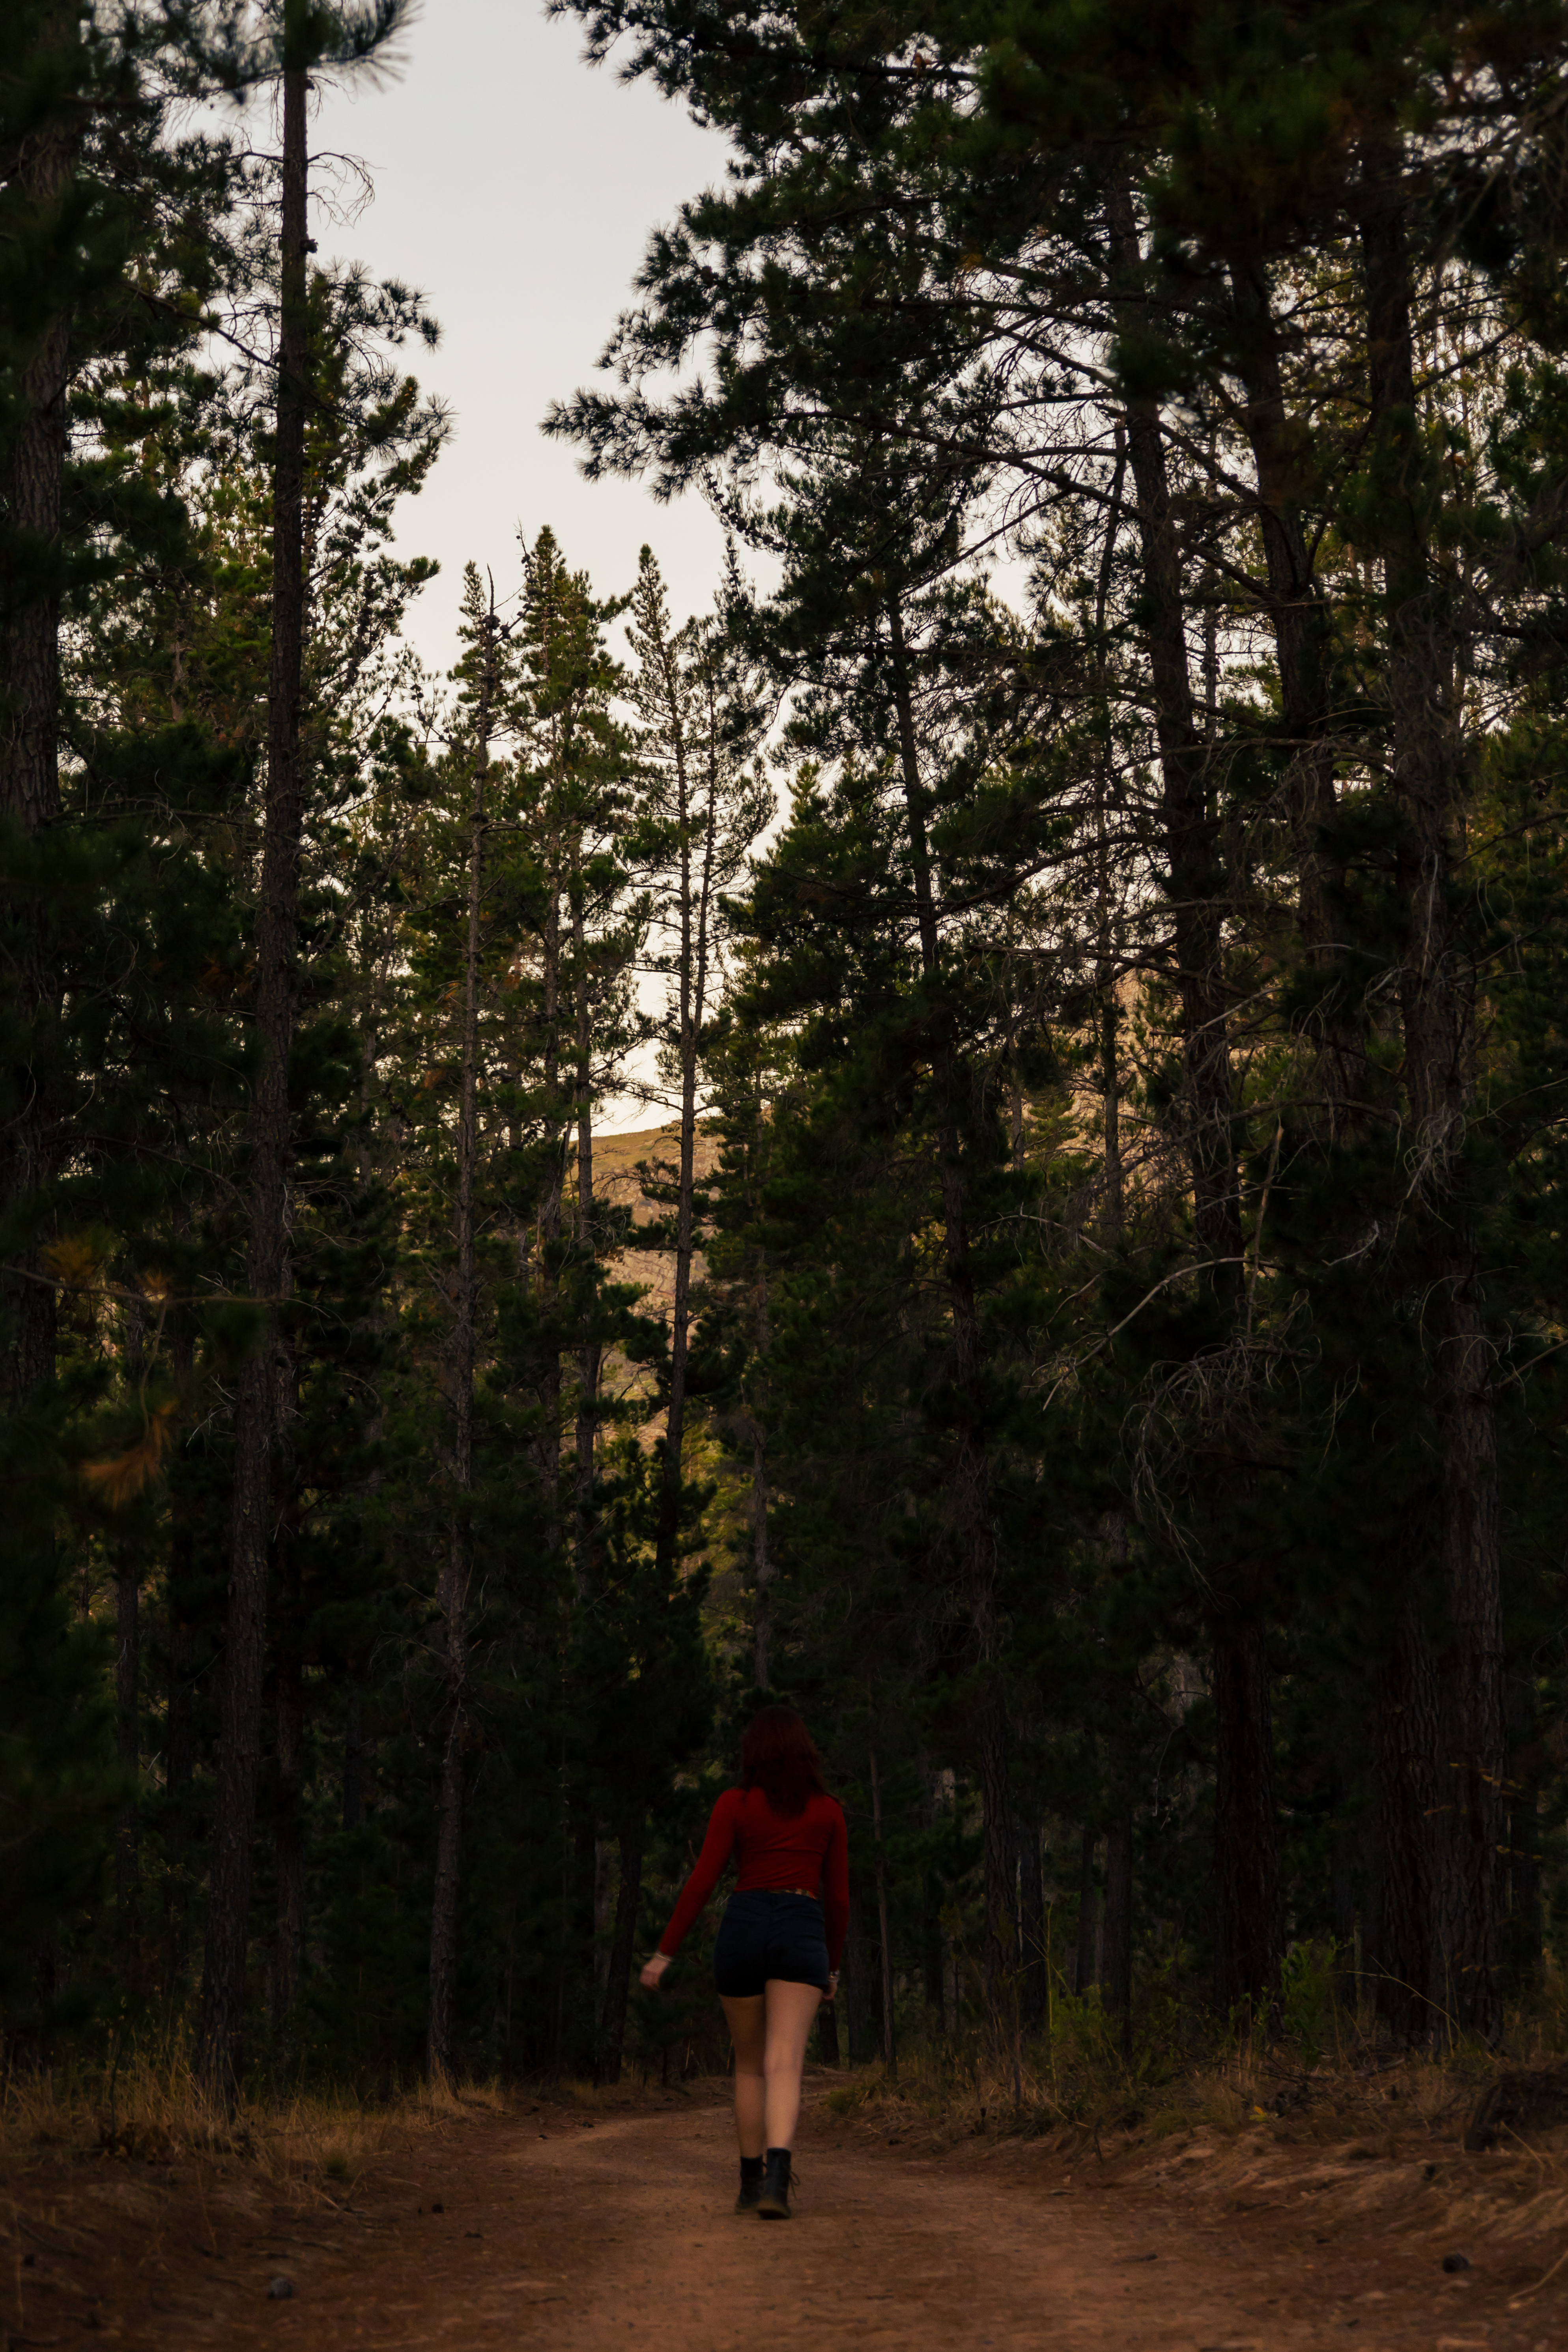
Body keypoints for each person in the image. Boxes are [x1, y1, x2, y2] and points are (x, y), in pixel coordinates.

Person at [640, 1705, 848, 2219]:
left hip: (744, 1926)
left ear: (751, 1753)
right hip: (802, 1926)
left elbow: (703, 1881)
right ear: (806, 1752)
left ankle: (749, 2182)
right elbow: (839, 1899)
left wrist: (666, 1951)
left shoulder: (734, 1804)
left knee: (750, 2066)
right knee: (785, 2063)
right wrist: (833, 1966)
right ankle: (778, 2179)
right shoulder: (828, 1811)